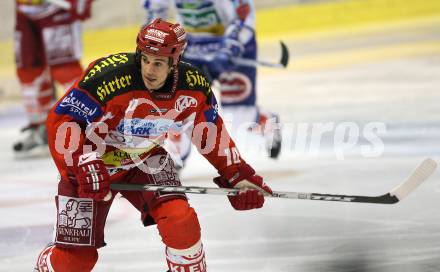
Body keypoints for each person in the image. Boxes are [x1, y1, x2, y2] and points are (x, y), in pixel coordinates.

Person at [34, 18, 272, 272]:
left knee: (181, 221)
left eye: (158, 63)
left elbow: (209, 133)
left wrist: (237, 174)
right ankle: (47, 264)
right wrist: (82, 162)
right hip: (90, 164)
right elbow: (63, 122)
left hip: (146, 159)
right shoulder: (108, 77)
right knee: (75, 262)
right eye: (145, 59)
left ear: (175, 61)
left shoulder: (194, 86)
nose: (149, 69)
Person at [142, 0, 282, 168]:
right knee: (179, 105)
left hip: (234, 48)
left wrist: (231, 46)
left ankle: (266, 121)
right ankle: (176, 155)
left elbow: (243, 14)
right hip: (191, 48)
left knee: (239, 115)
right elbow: (156, 11)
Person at [13, 0, 93, 158]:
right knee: (28, 71)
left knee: (65, 69)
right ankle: (40, 127)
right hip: (25, 10)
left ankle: (88, 124)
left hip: (57, 9)